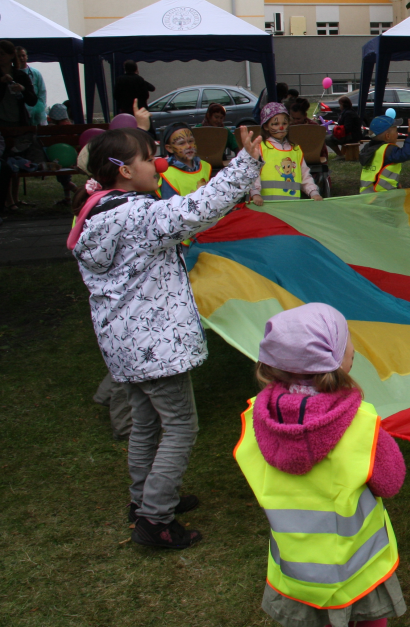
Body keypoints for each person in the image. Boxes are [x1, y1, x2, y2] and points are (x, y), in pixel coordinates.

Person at [69, 123, 265, 549]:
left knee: (145, 423)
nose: (157, 164)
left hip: (125, 346)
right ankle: (155, 519)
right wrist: (246, 164)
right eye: (147, 158)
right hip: (155, 346)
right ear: (124, 171)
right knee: (180, 426)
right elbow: (199, 207)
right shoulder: (138, 216)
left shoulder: (98, 211)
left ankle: (143, 501)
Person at [234, 303, 407, 627]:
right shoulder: (360, 423)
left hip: (296, 572)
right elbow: (391, 481)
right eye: (347, 338)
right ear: (337, 358)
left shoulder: (256, 419)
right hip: (359, 568)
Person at [252, 102, 324, 205]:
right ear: (266, 126)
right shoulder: (260, 148)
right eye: (275, 124)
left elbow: (304, 174)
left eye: (284, 123)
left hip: (292, 207)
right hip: (266, 206)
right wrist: (255, 194)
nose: (281, 127)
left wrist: (313, 192)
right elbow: (252, 174)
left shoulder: (296, 149)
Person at [360, 109, 410, 192]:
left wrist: (394, 183)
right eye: (396, 131)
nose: (397, 134)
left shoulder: (368, 148)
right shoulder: (388, 150)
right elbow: (406, 154)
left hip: (367, 193)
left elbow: (380, 171)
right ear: (387, 136)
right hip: (381, 194)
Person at [15, 46, 47, 125]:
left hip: (36, 111)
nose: (21, 58)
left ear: (27, 56)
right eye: (18, 56)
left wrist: (39, 108)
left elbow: (42, 92)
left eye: (23, 55)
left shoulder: (35, 73)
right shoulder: (13, 73)